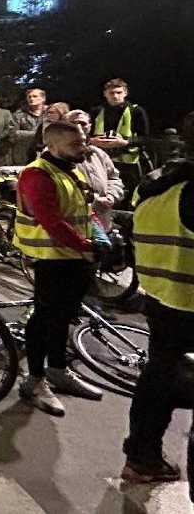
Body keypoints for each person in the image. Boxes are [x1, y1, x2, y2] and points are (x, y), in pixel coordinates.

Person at [120, 113, 194, 484]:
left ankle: (141, 456)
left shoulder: (157, 182)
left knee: (158, 378)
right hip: (189, 302)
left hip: (161, 299)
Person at [15, 121, 107, 416]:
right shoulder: (37, 174)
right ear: (52, 145)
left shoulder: (71, 168)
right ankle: (35, 380)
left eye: (83, 141)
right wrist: (88, 246)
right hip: (51, 260)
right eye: (75, 144)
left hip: (75, 258)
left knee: (63, 317)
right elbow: (51, 222)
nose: (84, 148)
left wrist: (100, 238)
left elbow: (85, 208)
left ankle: (57, 370)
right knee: (44, 319)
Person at [91, 78, 150, 207]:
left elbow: (145, 138)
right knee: (102, 195)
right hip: (101, 160)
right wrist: (93, 141)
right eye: (111, 93)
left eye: (118, 92)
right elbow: (87, 135)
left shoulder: (136, 111)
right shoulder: (96, 112)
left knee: (129, 198)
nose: (115, 96)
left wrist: (124, 142)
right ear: (105, 94)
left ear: (125, 93)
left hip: (128, 164)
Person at [66, 109, 125, 231]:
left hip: (102, 223)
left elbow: (114, 178)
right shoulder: (55, 153)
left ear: (90, 127)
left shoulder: (98, 153)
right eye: (73, 123)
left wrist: (111, 197)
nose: (78, 126)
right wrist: (94, 200)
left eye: (82, 123)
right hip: (72, 228)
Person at [12, 88, 48, 165]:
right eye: (29, 97)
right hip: (24, 154)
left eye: (35, 96)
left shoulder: (50, 113)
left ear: (43, 98)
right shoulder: (19, 114)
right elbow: (13, 133)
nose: (31, 99)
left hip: (46, 153)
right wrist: (36, 134)